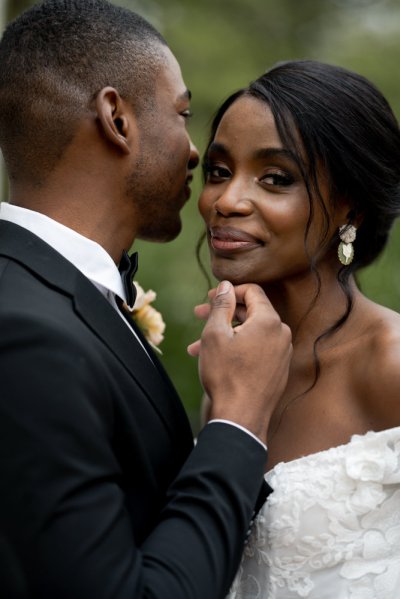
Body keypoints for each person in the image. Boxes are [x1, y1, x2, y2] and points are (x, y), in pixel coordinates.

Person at [0, 2, 293, 598]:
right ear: (117, 118)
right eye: (182, 114)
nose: (193, 151)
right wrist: (238, 420)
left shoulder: (58, 296)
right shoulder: (27, 333)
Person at [197, 60, 400, 598]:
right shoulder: (234, 367)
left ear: (348, 205)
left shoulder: (391, 363)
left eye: (275, 179)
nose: (226, 201)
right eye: (218, 170)